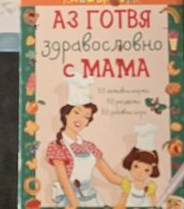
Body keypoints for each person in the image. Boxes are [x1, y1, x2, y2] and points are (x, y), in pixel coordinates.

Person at [47, 77, 125, 207]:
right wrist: (75, 205)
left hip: (92, 199)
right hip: (71, 201)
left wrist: (129, 184)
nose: (80, 119)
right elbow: (65, 182)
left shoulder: (90, 147)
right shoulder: (57, 147)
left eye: (86, 116)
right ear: (66, 113)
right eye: (76, 112)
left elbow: (110, 176)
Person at [117, 124, 161, 207]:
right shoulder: (128, 185)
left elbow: (153, 200)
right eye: (136, 166)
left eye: (146, 170)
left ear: (152, 170)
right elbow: (123, 198)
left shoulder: (150, 186)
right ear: (130, 164)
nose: (140, 172)